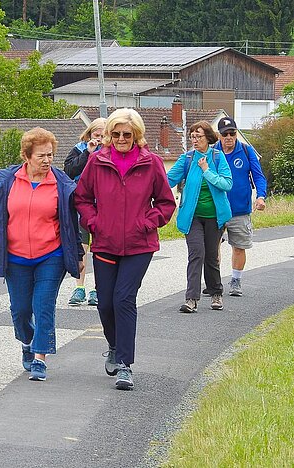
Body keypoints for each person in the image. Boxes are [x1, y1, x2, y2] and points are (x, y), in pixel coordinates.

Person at [74, 108, 176, 390]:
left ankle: (125, 365)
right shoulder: (97, 161)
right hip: (105, 242)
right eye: (116, 133)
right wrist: (94, 222)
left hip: (138, 244)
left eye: (126, 134)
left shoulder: (151, 162)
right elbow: (82, 198)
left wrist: (147, 222)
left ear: (136, 136)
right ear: (109, 135)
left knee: (124, 299)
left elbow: (166, 203)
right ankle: (114, 344)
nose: (121, 138)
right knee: (105, 302)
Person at [0, 127, 83, 382]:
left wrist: (78, 253)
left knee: (43, 305)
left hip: (51, 256)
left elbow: (71, 223)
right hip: (15, 257)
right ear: (26, 156)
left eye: (50, 155)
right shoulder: (7, 182)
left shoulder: (62, 184)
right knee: (21, 310)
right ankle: (27, 340)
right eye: (41, 156)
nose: (47, 161)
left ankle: (39, 358)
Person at [167, 121, 232, 314]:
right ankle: (191, 299)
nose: (195, 140)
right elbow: (168, 179)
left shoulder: (218, 158)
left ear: (208, 138)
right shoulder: (187, 159)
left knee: (211, 256)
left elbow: (226, 184)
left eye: (199, 136)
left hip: (214, 216)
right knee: (196, 253)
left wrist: (206, 170)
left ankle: (215, 293)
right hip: (192, 216)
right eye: (192, 137)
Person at [213, 117, 267, 296]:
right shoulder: (212, 153)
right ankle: (214, 282)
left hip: (240, 209)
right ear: (219, 136)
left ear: (236, 133)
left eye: (232, 133)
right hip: (216, 209)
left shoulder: (246, 151)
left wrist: (260, 196)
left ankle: (236, 281)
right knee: (213, 247)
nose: (229, 137)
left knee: (239, 246)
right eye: (225, 134)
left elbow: (258, 176)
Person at [64, 117, 106, 307]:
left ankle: (98, 289)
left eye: (103, 135)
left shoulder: (111, 152)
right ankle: (79, 287)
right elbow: (69, 172)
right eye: (96, 134)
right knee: (82, 248)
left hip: (104, 207)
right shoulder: (79, 149)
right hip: (82, 205)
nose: (99, 138)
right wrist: (88, 152)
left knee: (100, 248)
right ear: (89, 134)